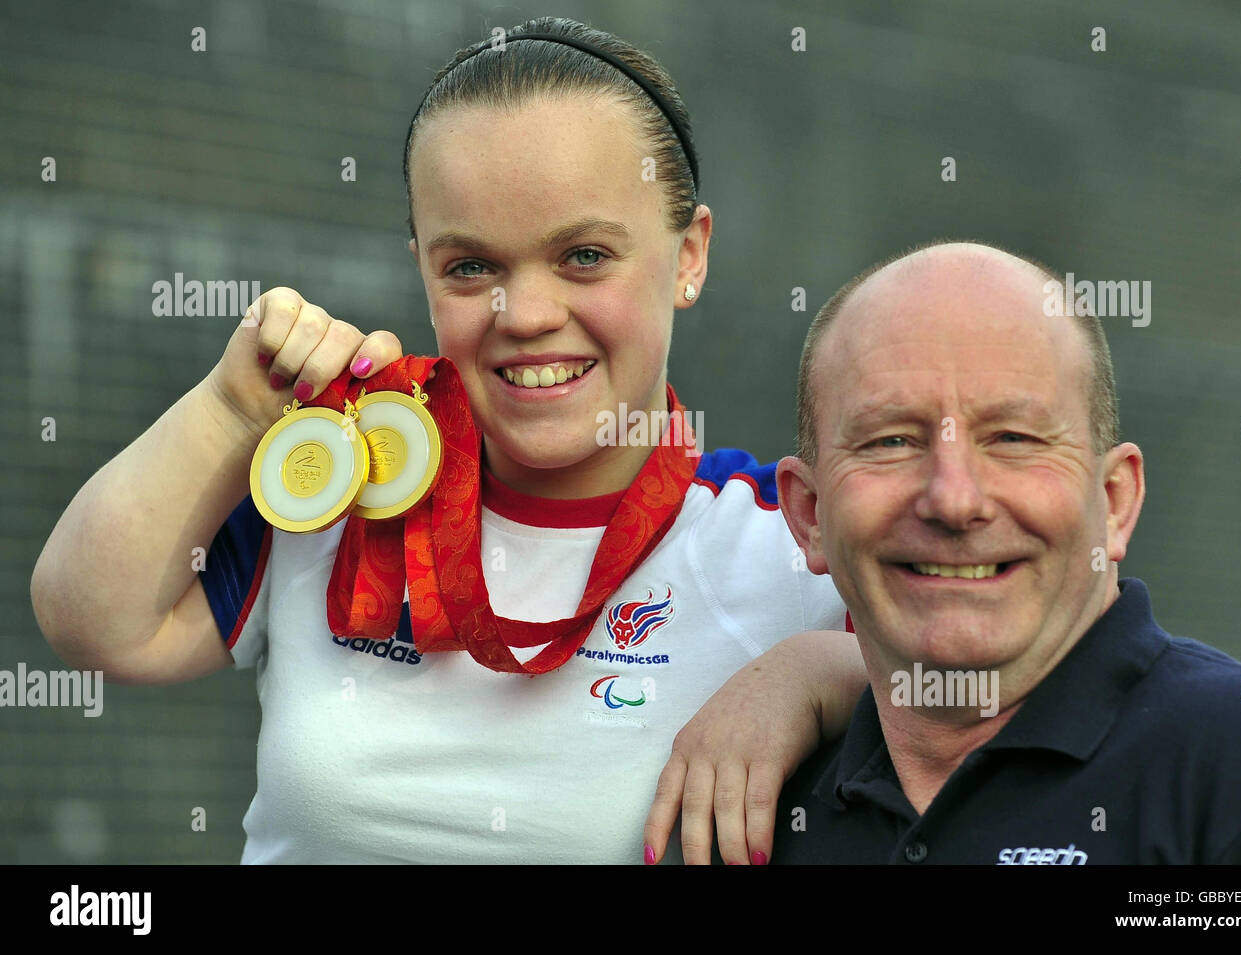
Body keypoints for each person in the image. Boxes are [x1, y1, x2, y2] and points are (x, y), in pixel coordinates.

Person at [30, 17, 869, 865]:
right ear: (423, 266)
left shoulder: (787, 544)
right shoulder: (336, 480)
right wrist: (230, 406)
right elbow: (92, 622)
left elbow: (990, 684)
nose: (528, 315)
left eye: (582, 254)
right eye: (470, 267)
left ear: (689, 254)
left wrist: (822, 674)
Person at [770, 240, 1241, 864]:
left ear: (1114, 501)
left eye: (1013, 438)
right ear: (809, 516)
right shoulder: (757, 813)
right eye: (890, 441)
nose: (954, 500)